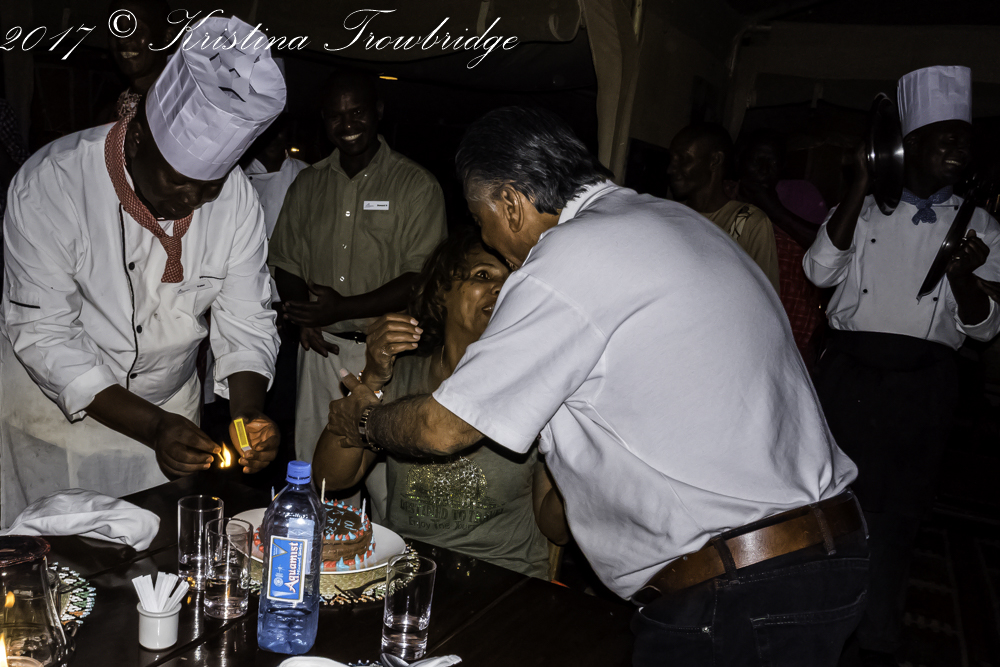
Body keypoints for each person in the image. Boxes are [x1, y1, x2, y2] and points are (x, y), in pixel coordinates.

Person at [325, 106, 864, 665]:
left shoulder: (570, 254)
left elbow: (444, 429)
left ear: (510, 203)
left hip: (742, 586)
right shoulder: (674, 222)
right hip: (820, 553)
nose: (492, 243)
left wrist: (363, 420)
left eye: (481, 219)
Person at [0, 15, 284, 526]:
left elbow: (247, 317)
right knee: (54, 557)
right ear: (136, 141)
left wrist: (247, 416)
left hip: (169, 421)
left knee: (158, 552)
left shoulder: (235, 197)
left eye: (208, 188)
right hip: (55, 419)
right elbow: (43, 333)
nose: (192, 200)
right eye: (178, 183)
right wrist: (152, 426)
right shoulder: (53, 182)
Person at [803, 65, 1000, 666]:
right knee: (829, 506)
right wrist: (860, 184)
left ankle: (877, 638)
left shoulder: (981, 225)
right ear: (908, 144)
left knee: (897, 517)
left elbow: (986, 328)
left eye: (965, 140)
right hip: (849, 376)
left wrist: (963, 277)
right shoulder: (861, 211)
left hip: (923, 385)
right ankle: (814, 624)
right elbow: (818, 272)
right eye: (946, 137)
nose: (959, 148)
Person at [314, 229, 563, 578]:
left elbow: (556, 530)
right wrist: (372, 377)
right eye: (483, 276)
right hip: (407, 571)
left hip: (503, 578)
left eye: (513, 280)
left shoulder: (539, 385)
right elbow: (331, 478)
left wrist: (580, 466)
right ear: (442, 291)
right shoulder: (402, 374)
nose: (500, 288)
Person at [268, 68, 447, 467]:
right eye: (336, 115)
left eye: (357, 112)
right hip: (321, 353)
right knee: (318, 472)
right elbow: (285, 260)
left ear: (378, 111)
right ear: (324, 119)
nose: (347, 124)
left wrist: (341, 308)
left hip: (392, 357)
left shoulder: (416, 185)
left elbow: (419, 279)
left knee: (387, 480)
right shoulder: (308, 184)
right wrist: (305, 316)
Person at [738, 129, 826, 366]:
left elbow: (825, 248)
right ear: (741, 159)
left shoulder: (802, 193)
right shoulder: (724, 194)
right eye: (757, 160)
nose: (764, 169)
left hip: (791, 322)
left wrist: (773, 209)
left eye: (773, 162)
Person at [668, 122, 780, 293]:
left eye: (683, 159)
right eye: (672, 159)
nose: (670, 169)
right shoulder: (670, 215)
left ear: (715, 161)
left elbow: (765, 298)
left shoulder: (750, 223)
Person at [105, 0, 178, 122]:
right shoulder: (110, 113)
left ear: (167, 37)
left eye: (136, 29)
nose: (122, 39)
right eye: (116, 29)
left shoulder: (182, 110)